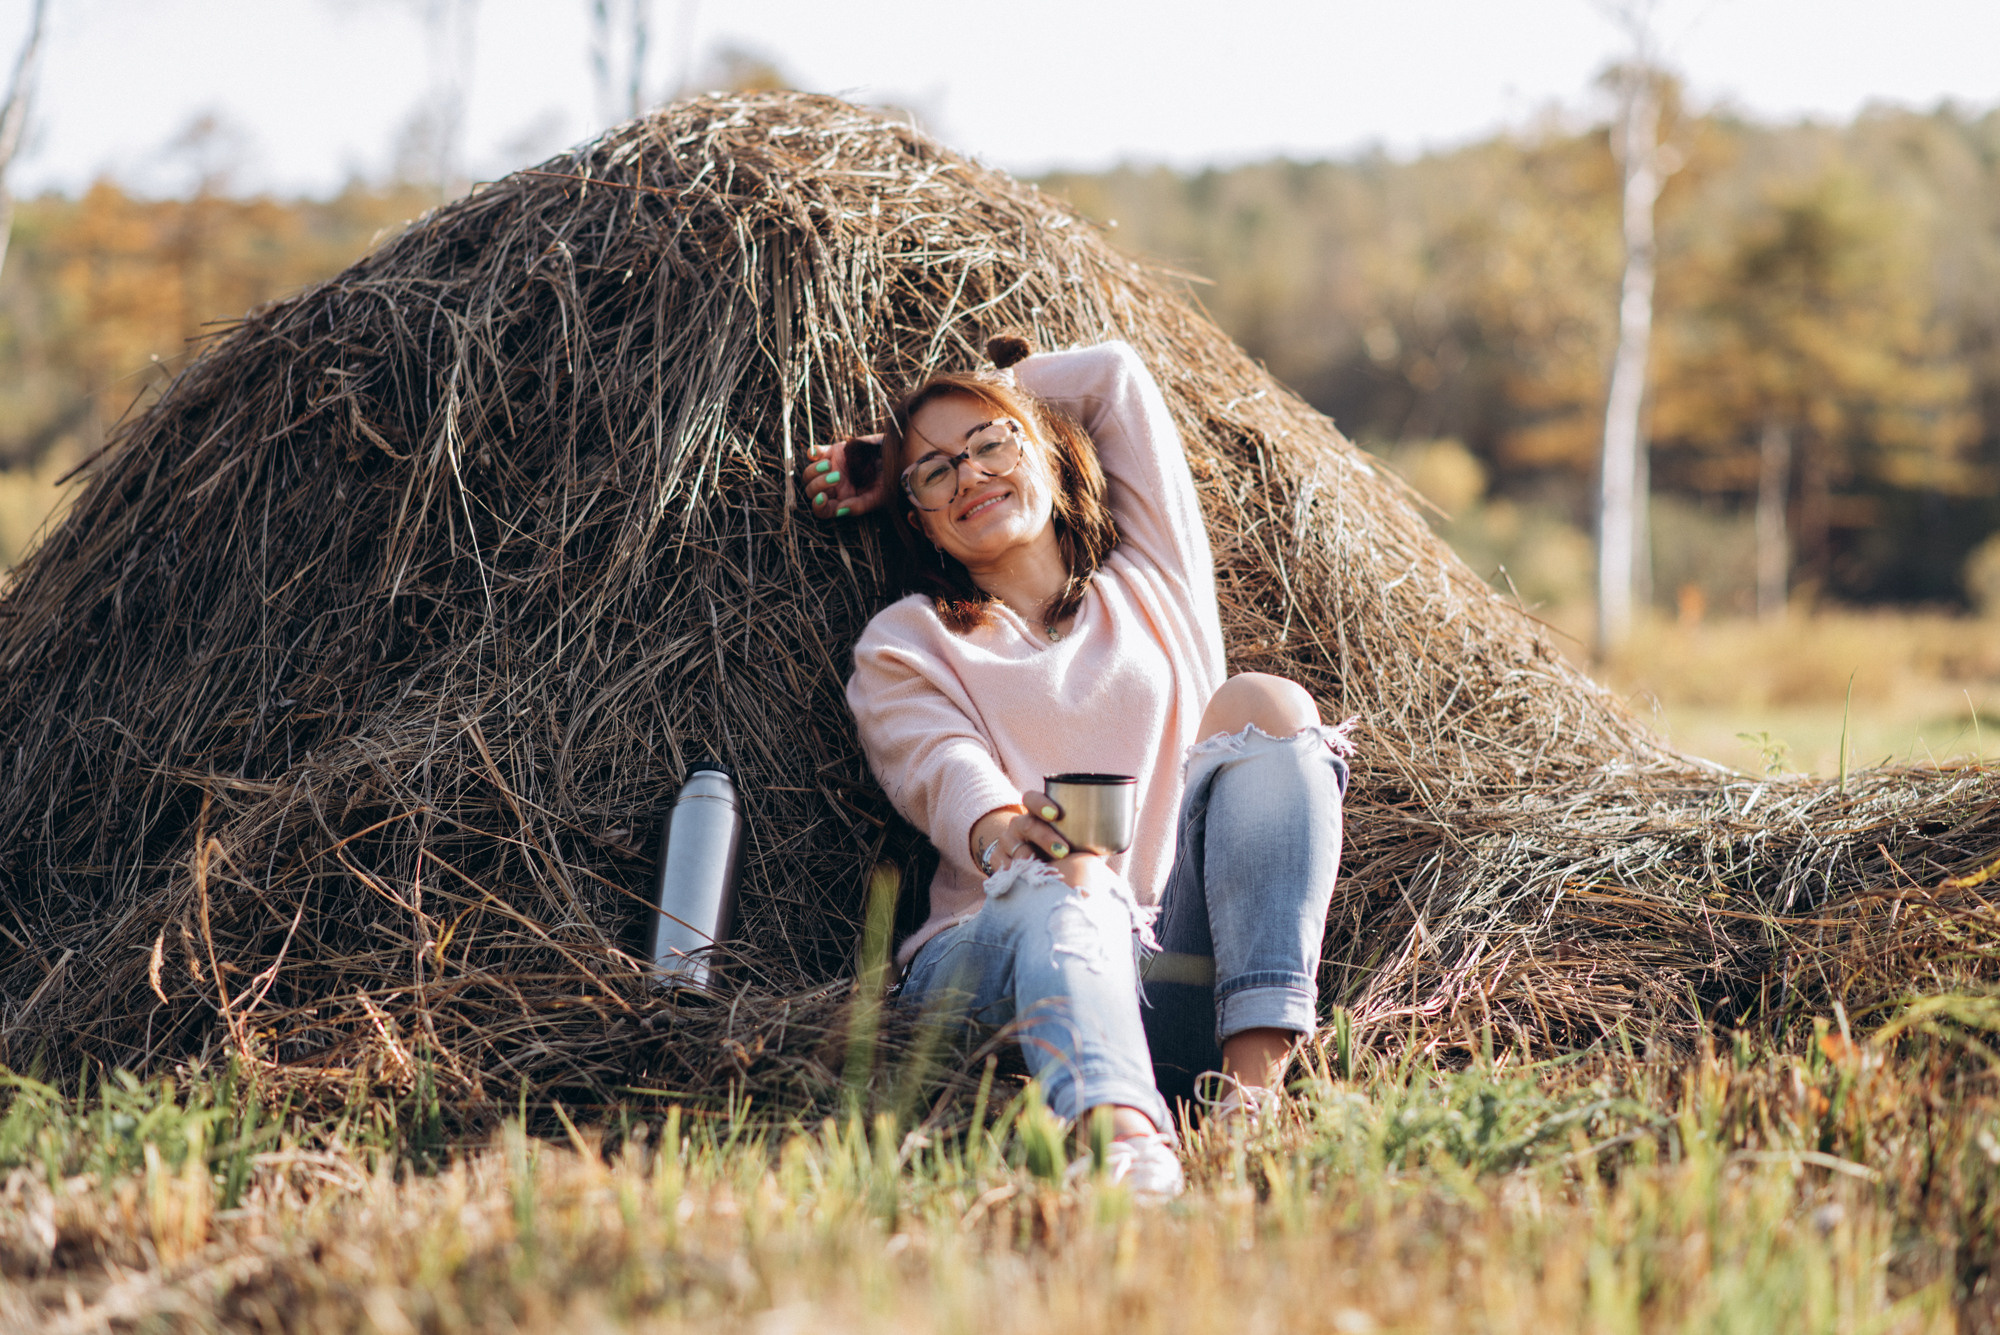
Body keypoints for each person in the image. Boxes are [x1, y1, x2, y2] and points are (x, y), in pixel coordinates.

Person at [803, 333, 1351, 1200]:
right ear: (919, 521)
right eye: (937, 474)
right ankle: (1125, 1152)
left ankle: (1248, 1109)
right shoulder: (907, 642)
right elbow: (941, 765)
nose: (972, 476)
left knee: (1268, 704)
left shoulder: (1153, 584)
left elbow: (1114, 376)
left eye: (992, 444)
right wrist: (1003, 835)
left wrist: (895, 445)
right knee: (1067, 873)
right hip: (999, 958)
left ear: (1050, 456)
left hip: (1162, 968)